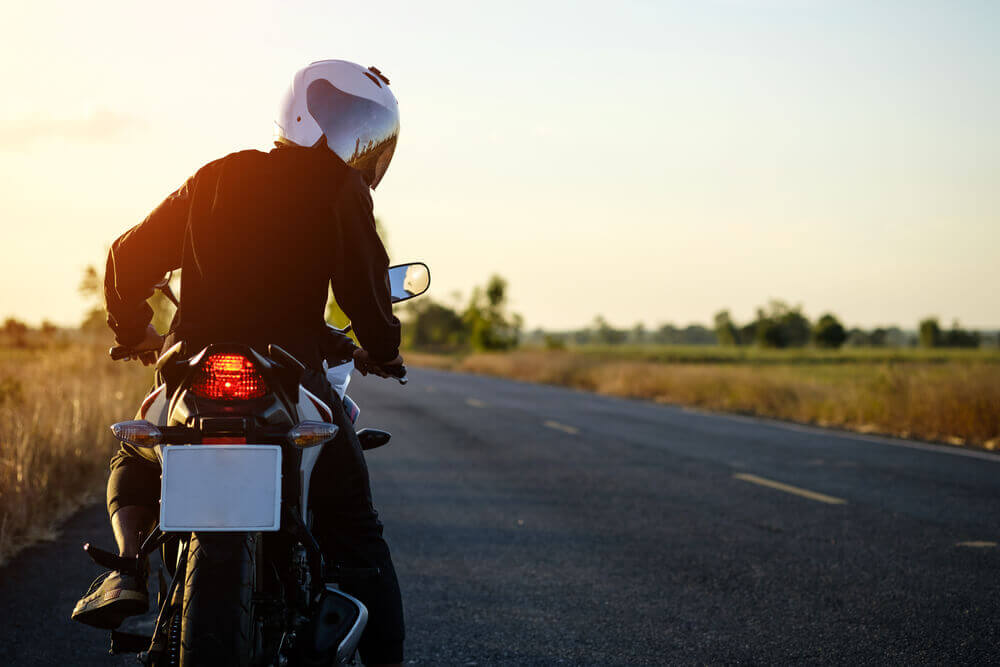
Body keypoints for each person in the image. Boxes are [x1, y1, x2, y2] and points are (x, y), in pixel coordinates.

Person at [71, 60, 406, 666]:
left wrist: (136, 329)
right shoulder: (342, 190)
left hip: (190, 369)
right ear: (305, 114)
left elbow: (125, 257)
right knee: (358, 531)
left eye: (358, 122)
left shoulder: (216, 176)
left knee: (137, 450)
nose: (347, 134)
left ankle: (126, 568)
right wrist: (383, 352)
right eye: (341, 117)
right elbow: (366, 290)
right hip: (290, 373)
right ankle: (385, 657)